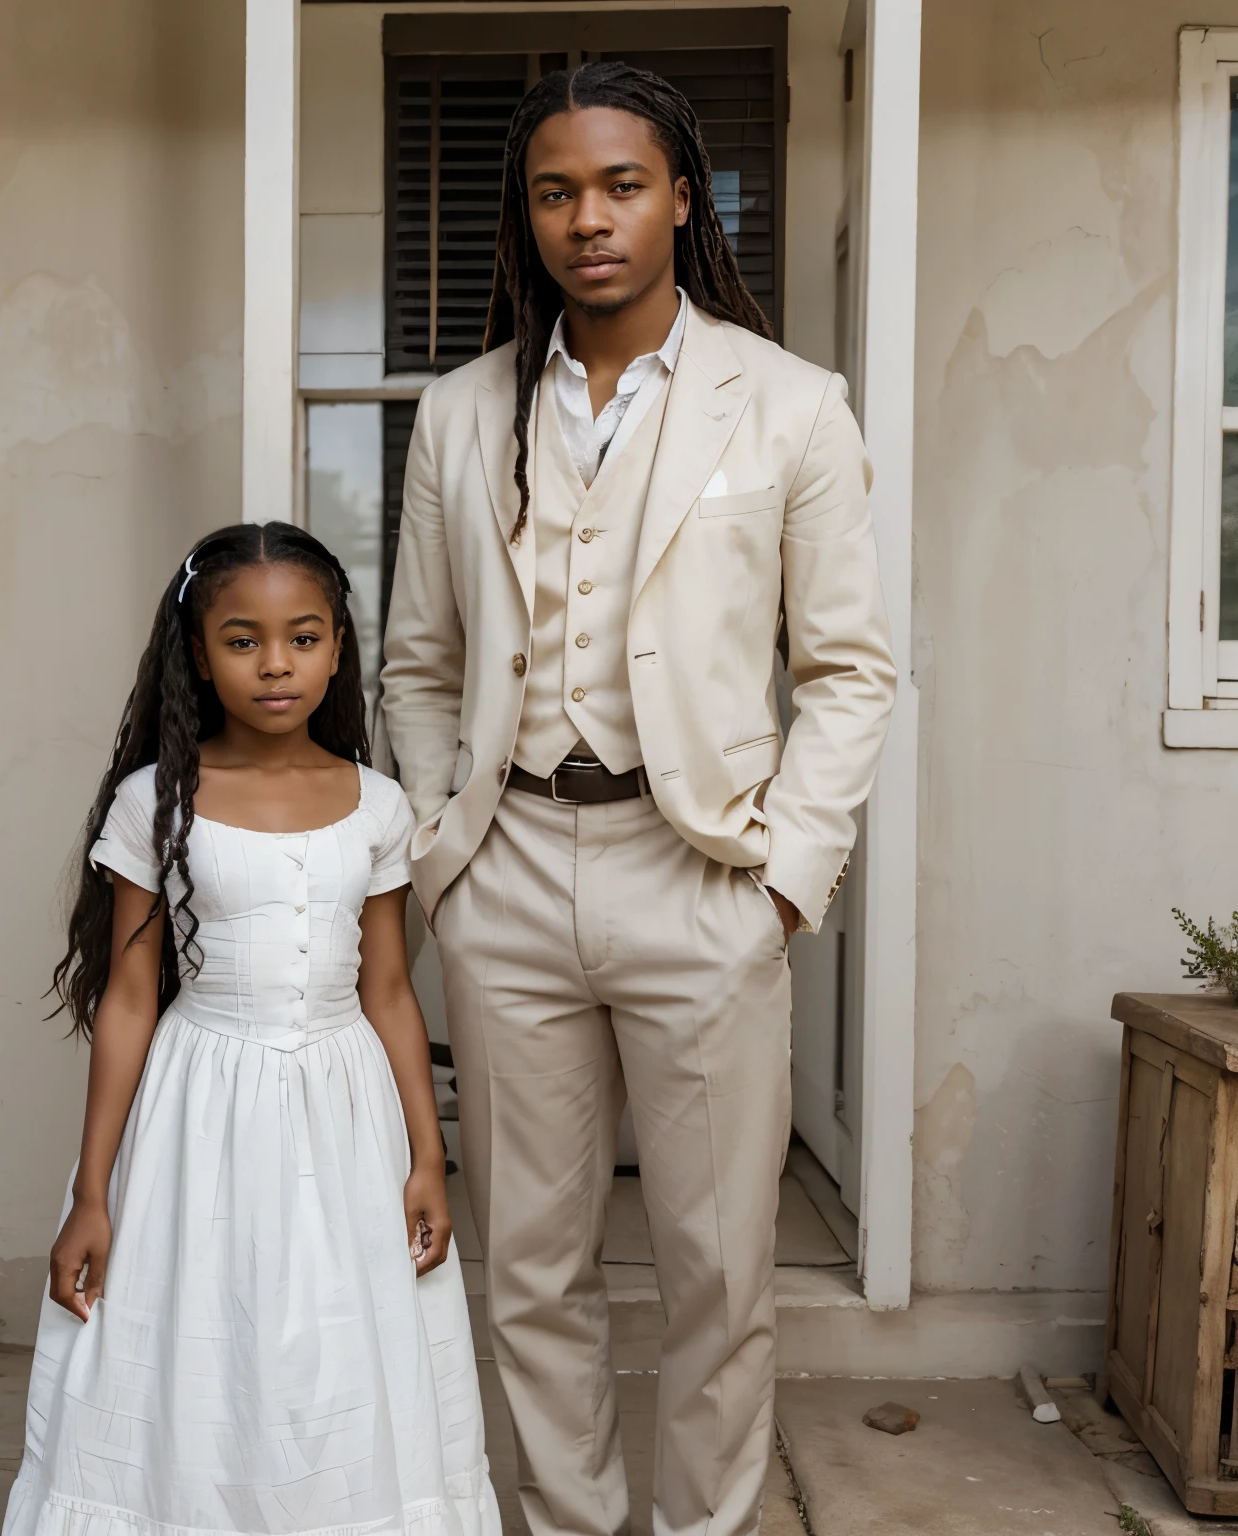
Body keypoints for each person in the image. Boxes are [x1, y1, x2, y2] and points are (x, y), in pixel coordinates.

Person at [381, 62, 897, 1536]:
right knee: (527, 1264)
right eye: (556, 192)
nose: (587, 219)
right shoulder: (465, 413)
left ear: (683, 197)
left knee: (719, 1270)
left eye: (620, 186)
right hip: (511, 864)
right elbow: (419, 661)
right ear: (527, 214)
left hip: (705, 877)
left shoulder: (791, 407)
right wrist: (443, 856)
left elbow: (852, 671)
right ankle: (564, 1523)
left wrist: (787, 879)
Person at [2, 523, 499, 1536]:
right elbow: (133, 1001)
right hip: (200, 1104)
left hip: (345, 1105)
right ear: (197, 653)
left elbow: (392, 992)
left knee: (339, 1345)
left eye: (303, 637)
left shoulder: (381, 806)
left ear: (338, 647)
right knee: (202, 1339)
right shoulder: (156, 804)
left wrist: (428, 1157)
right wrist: (93, 1191)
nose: (276, 663)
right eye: (243, 639)